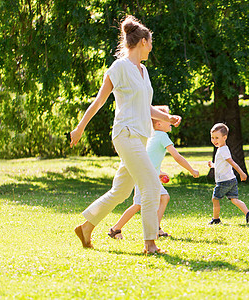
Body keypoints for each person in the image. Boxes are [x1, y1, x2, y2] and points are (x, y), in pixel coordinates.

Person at [71, 15, 180, 254]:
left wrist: (166, 118)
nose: (151, 47)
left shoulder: (144, 71)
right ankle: (150, 243)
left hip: (139, 137)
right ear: (142, 41)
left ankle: (86, 227)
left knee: (120, 191)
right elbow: (99, 101)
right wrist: (79, 128)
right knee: (151, 186)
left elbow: (146, 106)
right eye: (150, 42)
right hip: (125, 134)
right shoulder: (119, 67)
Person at [108, 105, 200, 240]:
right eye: (167, 118)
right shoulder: (162, 136)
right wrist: (191, 169)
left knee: (164, 197)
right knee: (138, 204)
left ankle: (155, 227)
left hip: (148, 175)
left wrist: (159, 172)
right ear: (159, 123)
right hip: (144, 176)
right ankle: (116, 229)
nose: (170, 122)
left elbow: (150, 158)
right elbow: (177, 156)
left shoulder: (152, 136)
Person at [207, 123, 249, 225]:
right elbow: (222, 165)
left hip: (224, 181)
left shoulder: (223, 150)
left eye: (217, 137)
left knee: (215, 199)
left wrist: (242, 173)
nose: (214, 140)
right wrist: (213, 165)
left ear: (224, 137)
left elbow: (232, 163)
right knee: (234, 199)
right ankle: (248, 214)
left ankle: (216, 219)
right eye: (212, 138)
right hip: (231, 180)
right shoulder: (222, 149)